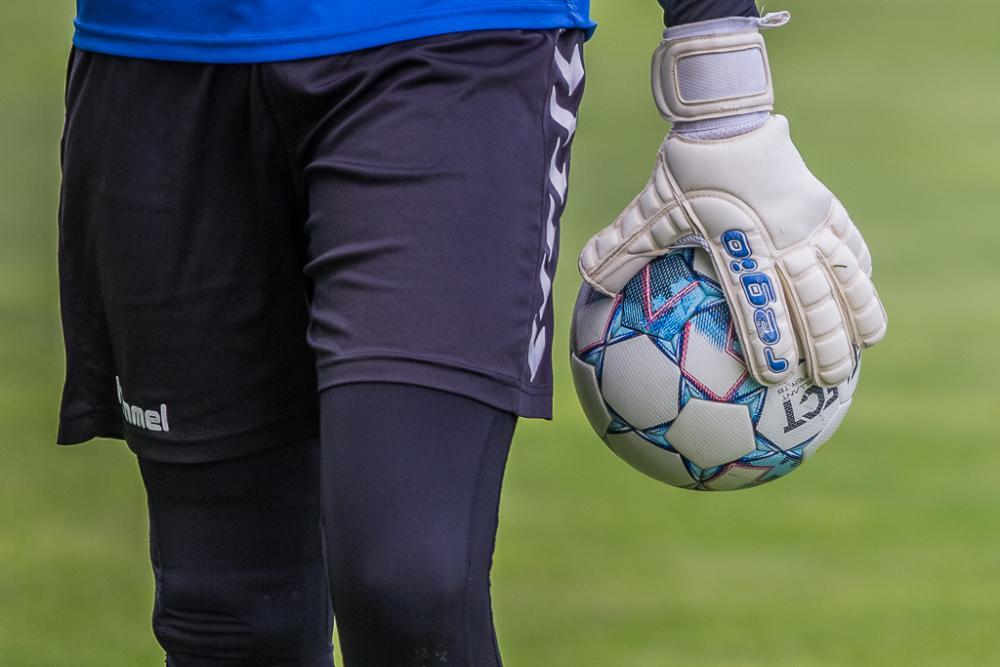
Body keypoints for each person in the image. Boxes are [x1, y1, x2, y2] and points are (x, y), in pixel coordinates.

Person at [56, 0, 886, 664]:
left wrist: (720, 72)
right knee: (228, 610)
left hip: (450, 46)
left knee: (408, 581)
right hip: (153, 51)